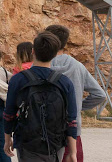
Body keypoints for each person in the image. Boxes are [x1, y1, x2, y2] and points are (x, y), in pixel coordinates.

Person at [4, 32, 78, 162]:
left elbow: (9, 114)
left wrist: (7, 138)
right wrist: (72, 152)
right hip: (56, 143)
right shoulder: (64, 82)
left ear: (33, 51)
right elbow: (71, 119)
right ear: (55, 54)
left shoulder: (18, 79)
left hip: (27, 143)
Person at [46, 25, 106, 162]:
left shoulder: (41, 65)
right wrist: (78, 106)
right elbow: (100, 95)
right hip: (72, 130)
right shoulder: (77, 66)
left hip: (45, 130)